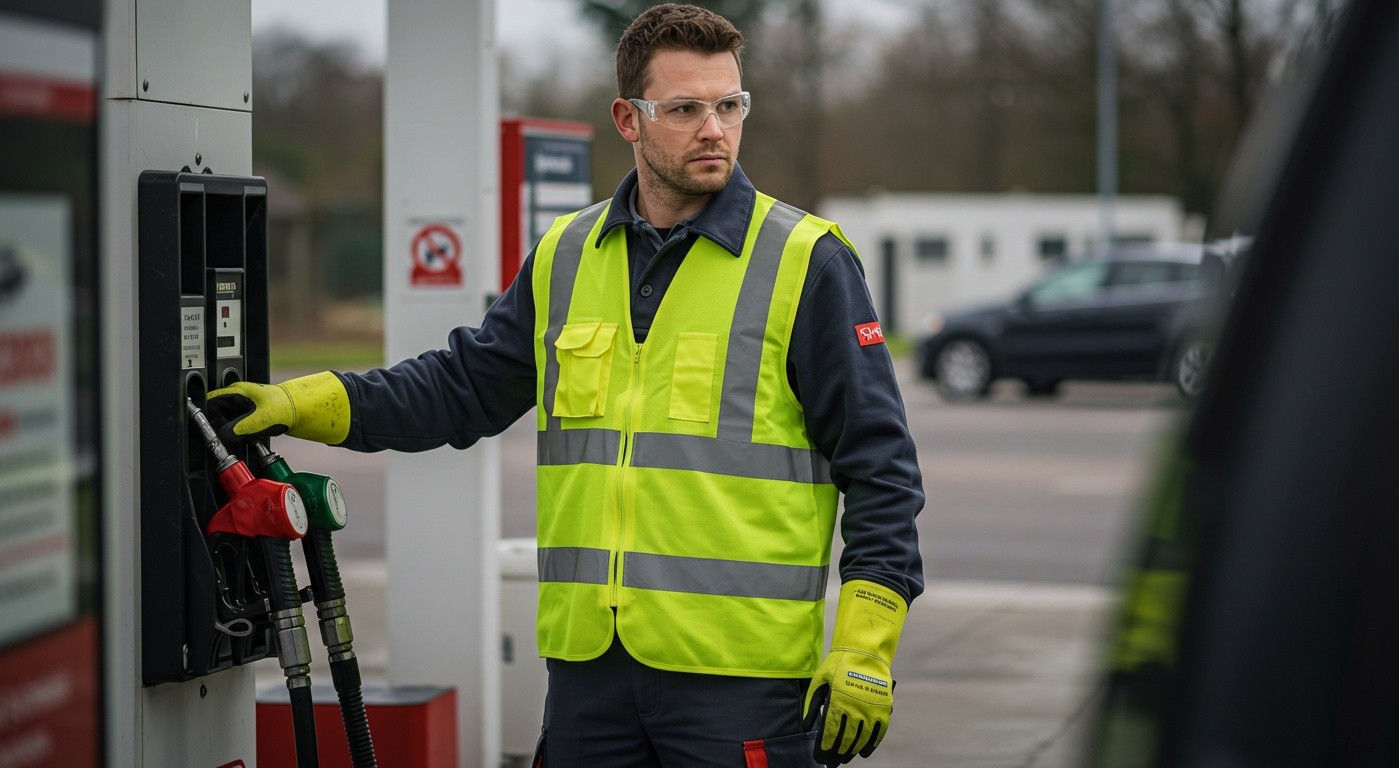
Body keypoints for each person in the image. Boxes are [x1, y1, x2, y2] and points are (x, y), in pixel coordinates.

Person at [208, 4, 923, 766]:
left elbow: (881, 468)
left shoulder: (807, 262)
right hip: (591, 678)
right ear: (628, 118)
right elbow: (460, 388)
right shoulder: (567, 255)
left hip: (740, 679)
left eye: (729, 105)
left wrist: (865, 647)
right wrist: (306, 404)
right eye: (684, 109)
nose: (714, 128)